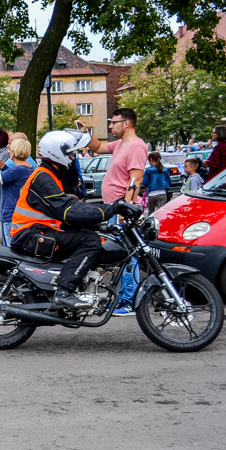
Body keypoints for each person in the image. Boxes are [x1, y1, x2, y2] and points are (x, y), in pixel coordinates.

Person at [11, 130, 123, 309]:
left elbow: (66, 214)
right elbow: (69, 211)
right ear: (58, 153)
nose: (73, 158)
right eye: (70, 153)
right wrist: (111, 209)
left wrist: (102, 227)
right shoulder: (42, 178)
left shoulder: (50, 175)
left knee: (89, 234)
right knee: (90, 241)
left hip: (38, 231)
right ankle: (64, 292)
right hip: (29, 235)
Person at [78, 108, 147, 316]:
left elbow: (135, 180)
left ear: (126, 123)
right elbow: (98, 147)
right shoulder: (119, 144)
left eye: (113, 122)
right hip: (115, 207)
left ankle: (130, 301)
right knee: (122, 255)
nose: (110, 126)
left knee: (129, 256)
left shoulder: (136, 146)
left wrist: (126, 210)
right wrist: (85, 133)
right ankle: (125, 298)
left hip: (122, 208)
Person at [0, 137, 34, 244]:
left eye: (10, 149)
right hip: (18, 214)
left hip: (11, 215)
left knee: (12, 251)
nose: (8, 151)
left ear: (14, 152)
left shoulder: (17, 169)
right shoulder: (27, 167)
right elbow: (10, 173)